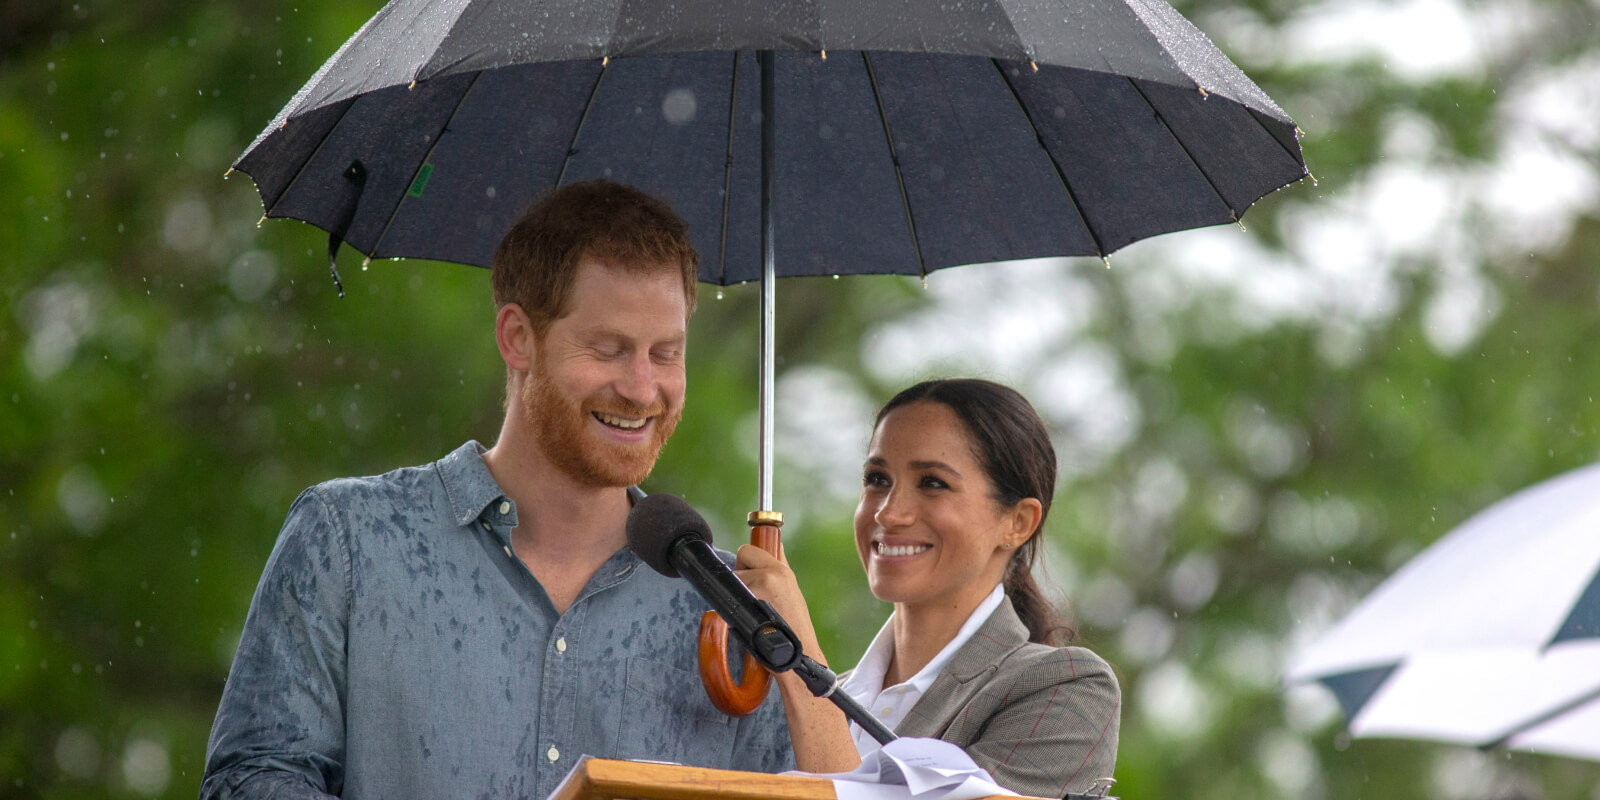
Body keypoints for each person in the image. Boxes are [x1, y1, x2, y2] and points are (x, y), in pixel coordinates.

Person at [201, 180, 792, 800]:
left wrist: (795, 657)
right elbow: (250, 782)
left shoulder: (741, 613)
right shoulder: (347, 539)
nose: (643, 390)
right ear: (517, 338)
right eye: (609, 350)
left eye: (665, 354)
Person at [737, 378, 1120, 797]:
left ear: (1018, 523)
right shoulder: (824, 695)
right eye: (877, 479)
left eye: (933, 483)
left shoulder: (1065, 690)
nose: (889, 512)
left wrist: (798, 663)